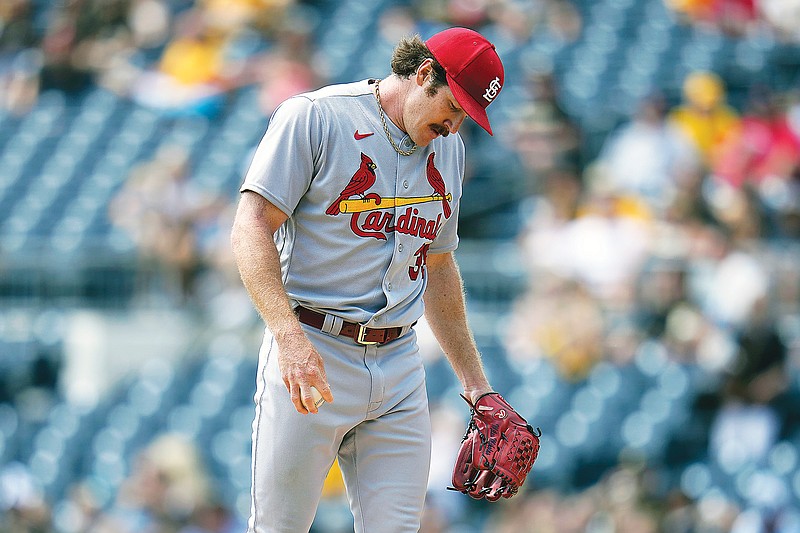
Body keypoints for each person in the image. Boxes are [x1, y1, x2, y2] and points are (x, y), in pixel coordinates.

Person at [230, 27, 505, 533]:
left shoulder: (449, 150)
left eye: (467, 114)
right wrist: (288, 337)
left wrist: (475, 385)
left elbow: (438, 265)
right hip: (313, 347)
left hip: (399, 360)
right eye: (454, 104)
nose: (454, 124)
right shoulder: (316, 117)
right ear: (424, 73)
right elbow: (250, 226)